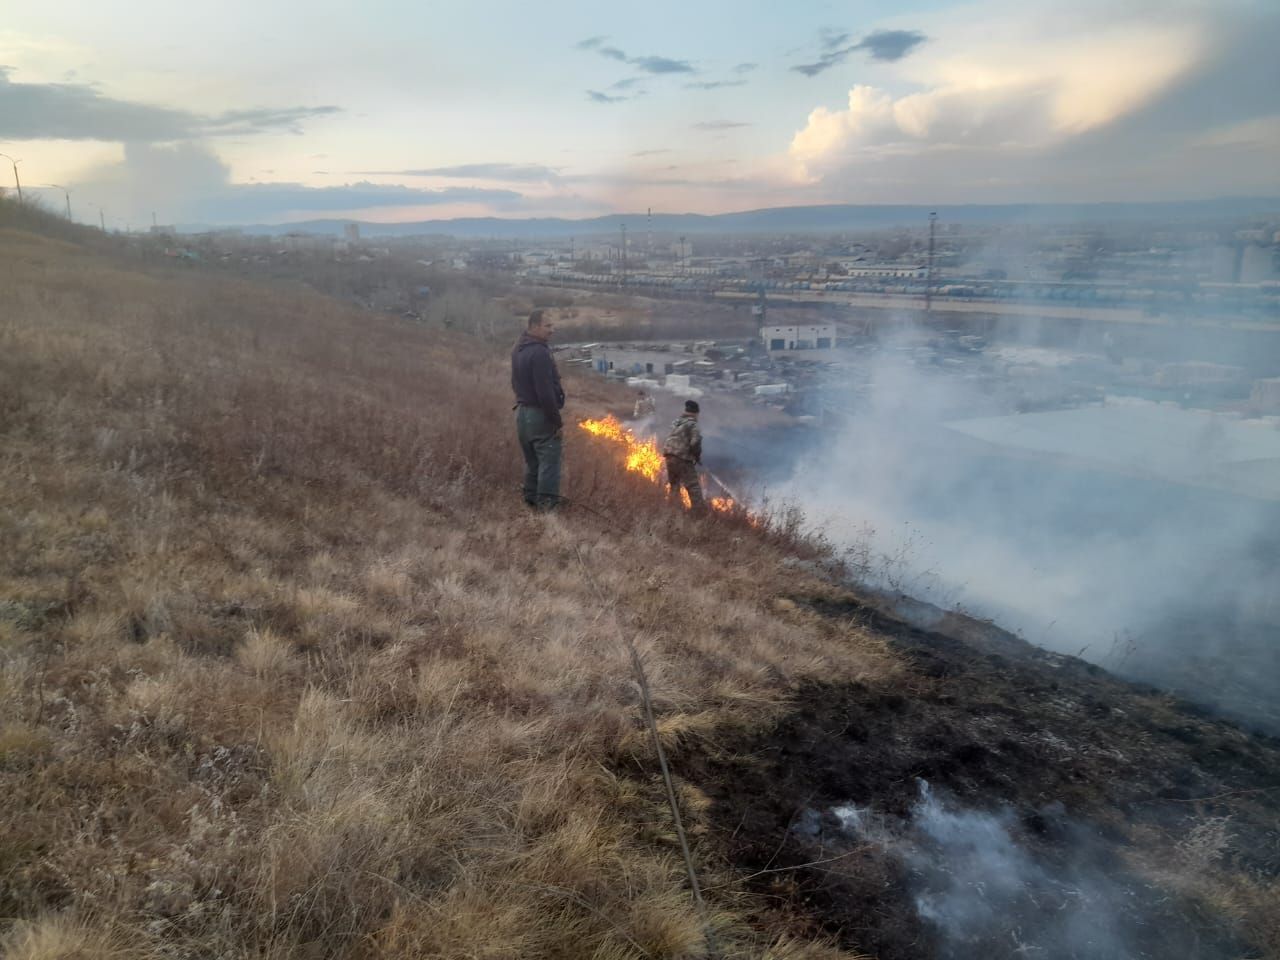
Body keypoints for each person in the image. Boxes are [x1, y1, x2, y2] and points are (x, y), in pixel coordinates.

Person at [511, 309, 565, 510]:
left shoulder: (518, 348)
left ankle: (530, 503)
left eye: (553, 325)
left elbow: (514, 383)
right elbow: (545, 393)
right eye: (548, 326)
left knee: (533, 463)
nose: (553, 330)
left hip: (523, 414)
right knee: (549, 464)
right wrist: (556, 422)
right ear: (533, 327)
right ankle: (547, 510)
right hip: (540, 415)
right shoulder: (540, 352)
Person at [662, 400, 706, 515]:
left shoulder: (677, 423)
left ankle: (672, 510)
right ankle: (699, 514)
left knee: (674, 485)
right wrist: (696, 456)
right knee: (693, 487)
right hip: (682, 458)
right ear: (696, 413)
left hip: (669, 456)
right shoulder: (693, 425)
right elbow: (695, 442)